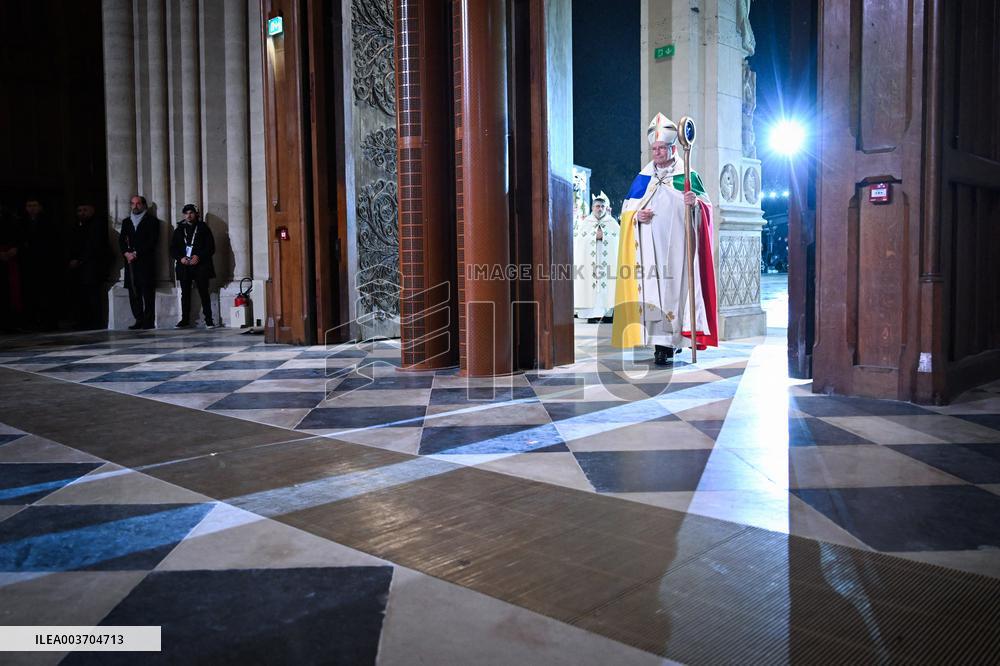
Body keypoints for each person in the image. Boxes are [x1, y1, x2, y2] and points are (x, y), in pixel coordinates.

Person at [612, 113, 718, 365]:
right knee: (652, 294)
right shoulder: (643, 177)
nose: (657, 153)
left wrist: (695, 205)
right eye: (654, 149)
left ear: (673, 148)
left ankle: (672, 343)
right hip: (648, 250)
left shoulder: (687, 175)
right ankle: (659, 344)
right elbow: (627, 210)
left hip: (678, 250)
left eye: (661, 148)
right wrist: (637, 215)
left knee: (675, 292)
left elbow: (706, 208)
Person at [573, 191, 619, 323]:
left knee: (609, 285)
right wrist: (594, 236)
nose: (600, 209)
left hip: (608, 263)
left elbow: (618, 239)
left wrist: (605, 236)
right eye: (597, 206)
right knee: (590, 285)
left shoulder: (612, 223)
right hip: (589, 264)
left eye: (602, 207)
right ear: (593, 208)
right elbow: (580, 241)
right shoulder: (586, 223)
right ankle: (592, 314)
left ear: (606, 208)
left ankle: (608, 314)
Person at [170, 203, 217, 327]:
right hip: (184, 265)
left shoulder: (203, 228)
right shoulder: (179, 229)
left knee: (203, 292)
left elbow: (211, 247)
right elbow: (172, 249)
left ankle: (209, 320)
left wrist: (199, 256)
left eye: (191, 213)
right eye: (186, 213)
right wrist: (181, 258)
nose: (188, 215)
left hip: (200, 265)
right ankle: (185, 320)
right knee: (185, 293)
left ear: (196, 214)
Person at [66, 202, 111, 329]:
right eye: (79, 210)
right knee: (81, 296)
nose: (82, 213)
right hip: (79, 268)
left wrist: (80, 260)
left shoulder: (97, 225)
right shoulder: (77, 226)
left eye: (85, 210)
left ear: (92, 210)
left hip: (92, 267)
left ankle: (95, 322)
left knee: (93, 296)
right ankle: (83, 321)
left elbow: (95, 246)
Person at [20, 198, 64, 330]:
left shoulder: (49, 222)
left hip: (47, 264)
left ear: (40, 207)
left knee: (48, 294)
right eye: (29, 205)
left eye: (34, 205)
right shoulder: (22, 222)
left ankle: (50, 322)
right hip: (29, 264)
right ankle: (32, 322)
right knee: (31, 294)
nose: (31, 208)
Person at [118, 195, 160, 329]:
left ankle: (148, 321)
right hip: (130, 262)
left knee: (147, 291)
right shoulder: (126, 222)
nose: (135, 206)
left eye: (138, 204)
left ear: (143, 205)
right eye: (133, 204)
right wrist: (126, 253)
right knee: (133, 291)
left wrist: (137, 253)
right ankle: (139, 319)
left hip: (145, 261)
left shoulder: (152, 221)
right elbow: (121, 240)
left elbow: (152, 241)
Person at [0, 205, 25, 332]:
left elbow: (19, 238)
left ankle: (13, 323)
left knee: (12, 291)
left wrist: (15, 248)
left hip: (11, 259)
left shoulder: (11, 220)